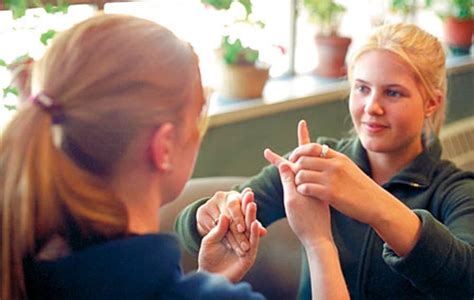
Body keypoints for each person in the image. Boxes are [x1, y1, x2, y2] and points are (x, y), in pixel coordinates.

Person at [175, 23, 474, 299]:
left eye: (393, 93)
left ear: (431, 103)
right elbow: (197, 227)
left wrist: (375, 203)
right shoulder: (316, 162)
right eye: (362, 88)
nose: (372, 107)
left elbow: (466, 280)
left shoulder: (456, 190)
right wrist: (208, 217)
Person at [0, 13, 266, 300]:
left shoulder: (26, 261)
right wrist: (317, 242)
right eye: (196, 120)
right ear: (163, 147)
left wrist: (206, 282)